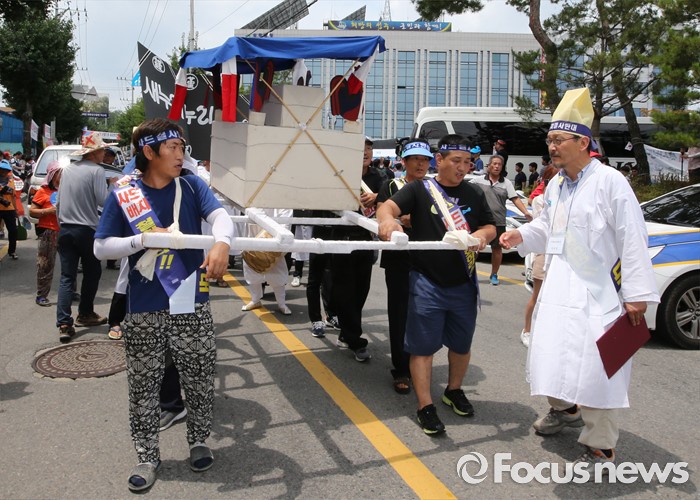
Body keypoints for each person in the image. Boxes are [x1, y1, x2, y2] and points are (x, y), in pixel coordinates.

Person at [500, 88, 659, 468]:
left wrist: (637, 294)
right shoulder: (556, 184)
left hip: (597, 293)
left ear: (583, 142)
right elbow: (548, 228)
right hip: (558, 289)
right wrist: (521, 235)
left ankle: (601, 444)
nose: (551, 147)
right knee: (551, 355)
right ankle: (564, 410)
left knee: (598, 368)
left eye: (559, 139)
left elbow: (633, 237)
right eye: (549, 139)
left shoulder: (610, 182)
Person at [93, 118, 233, 492]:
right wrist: (141, 240)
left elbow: (220, 218)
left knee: (199, 378)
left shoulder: (192, 186)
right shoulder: (125, 193)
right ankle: (147, 456)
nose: (180, 154)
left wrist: (222, 242)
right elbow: (101, 247)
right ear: (149, 152)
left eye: (182, 147)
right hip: (144, 306)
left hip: (191, 299)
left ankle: (199, 440)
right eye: (172, 147)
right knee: (143, 386)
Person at [377, 134, 496, 435]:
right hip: (426, 281)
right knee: (423, 347)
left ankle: (453, 390)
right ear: (439, 160)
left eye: (467, 162)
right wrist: (388, 222)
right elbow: (386, 208)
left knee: (461, 345)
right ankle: (425, 405)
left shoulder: (474, 192)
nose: (462, 167)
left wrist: (482, 236)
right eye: (456, 161)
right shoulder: (420, 189)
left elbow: (490, 225)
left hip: (463, 282)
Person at [376, 139, 432, 395]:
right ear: (404, 162)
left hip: (427, 258)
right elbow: (383, 214)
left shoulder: (433, 188)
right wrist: (400, 220)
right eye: (415, 159)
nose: (420, 164)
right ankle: (401, 369)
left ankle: (418, 363)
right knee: (399, 314)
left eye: (425, 160)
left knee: (424, 314)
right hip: (399, 259)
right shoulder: (391, 185)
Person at [330, 136, 386, 362]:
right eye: (361, 149)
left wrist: (377, 197)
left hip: (366, 240)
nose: (366, 152)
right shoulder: (340, 175)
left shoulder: (379, 177)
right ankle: (355, 340)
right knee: (344, 290)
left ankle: (347, 331)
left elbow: (392, 197)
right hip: (341, 239)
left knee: (361, 290)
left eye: (369, 149)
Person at [55, 131, 113, 342]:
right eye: (103, 150)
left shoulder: (68, 169)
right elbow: (103, 201)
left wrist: (61, 224)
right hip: (86, 229)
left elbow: (58, 202)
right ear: (94, 152)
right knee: (92, 272)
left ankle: (64, 323)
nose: (105, 153)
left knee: (67, 277)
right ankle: (85, 313)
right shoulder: (97, 170)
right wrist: (113, 184)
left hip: (65, 229)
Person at [470, 155, 532, 286]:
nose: (497, 166)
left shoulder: (506, 183)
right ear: (489, 165)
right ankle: (469, 273)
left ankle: (494, 274)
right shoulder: (477, 181)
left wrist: (526, 212)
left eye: (499, 164)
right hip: (480, 222)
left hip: (498, 221)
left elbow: (515, 198)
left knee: (497, 249)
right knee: (474, 247)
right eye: (494, 164)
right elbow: (465, 191)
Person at [519, 165, 557, 347]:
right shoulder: (540, 200)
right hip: (544, 251)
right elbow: (542, 224)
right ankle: (527, 330)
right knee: (538, 295)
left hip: (561, 256)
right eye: (553, 179)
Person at [30, 161, 63, 305]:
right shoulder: (43, 191)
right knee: (45, 264)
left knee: (70, 264)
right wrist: (47, 211)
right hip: (49, 231)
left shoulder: (67, 189)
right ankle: (41, 295)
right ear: (52, 175)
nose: (62, 175)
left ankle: (71, 292)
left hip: (66, 230)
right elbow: (32, 211)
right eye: (59, 173)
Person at [0, 159, 23, 259]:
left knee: (13, 231)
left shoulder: (11, 182)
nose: (3, 172)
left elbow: (13, 197)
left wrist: (16, 209)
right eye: (2, 170)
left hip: (9, 209)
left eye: (5, 170)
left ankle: (12, 251)